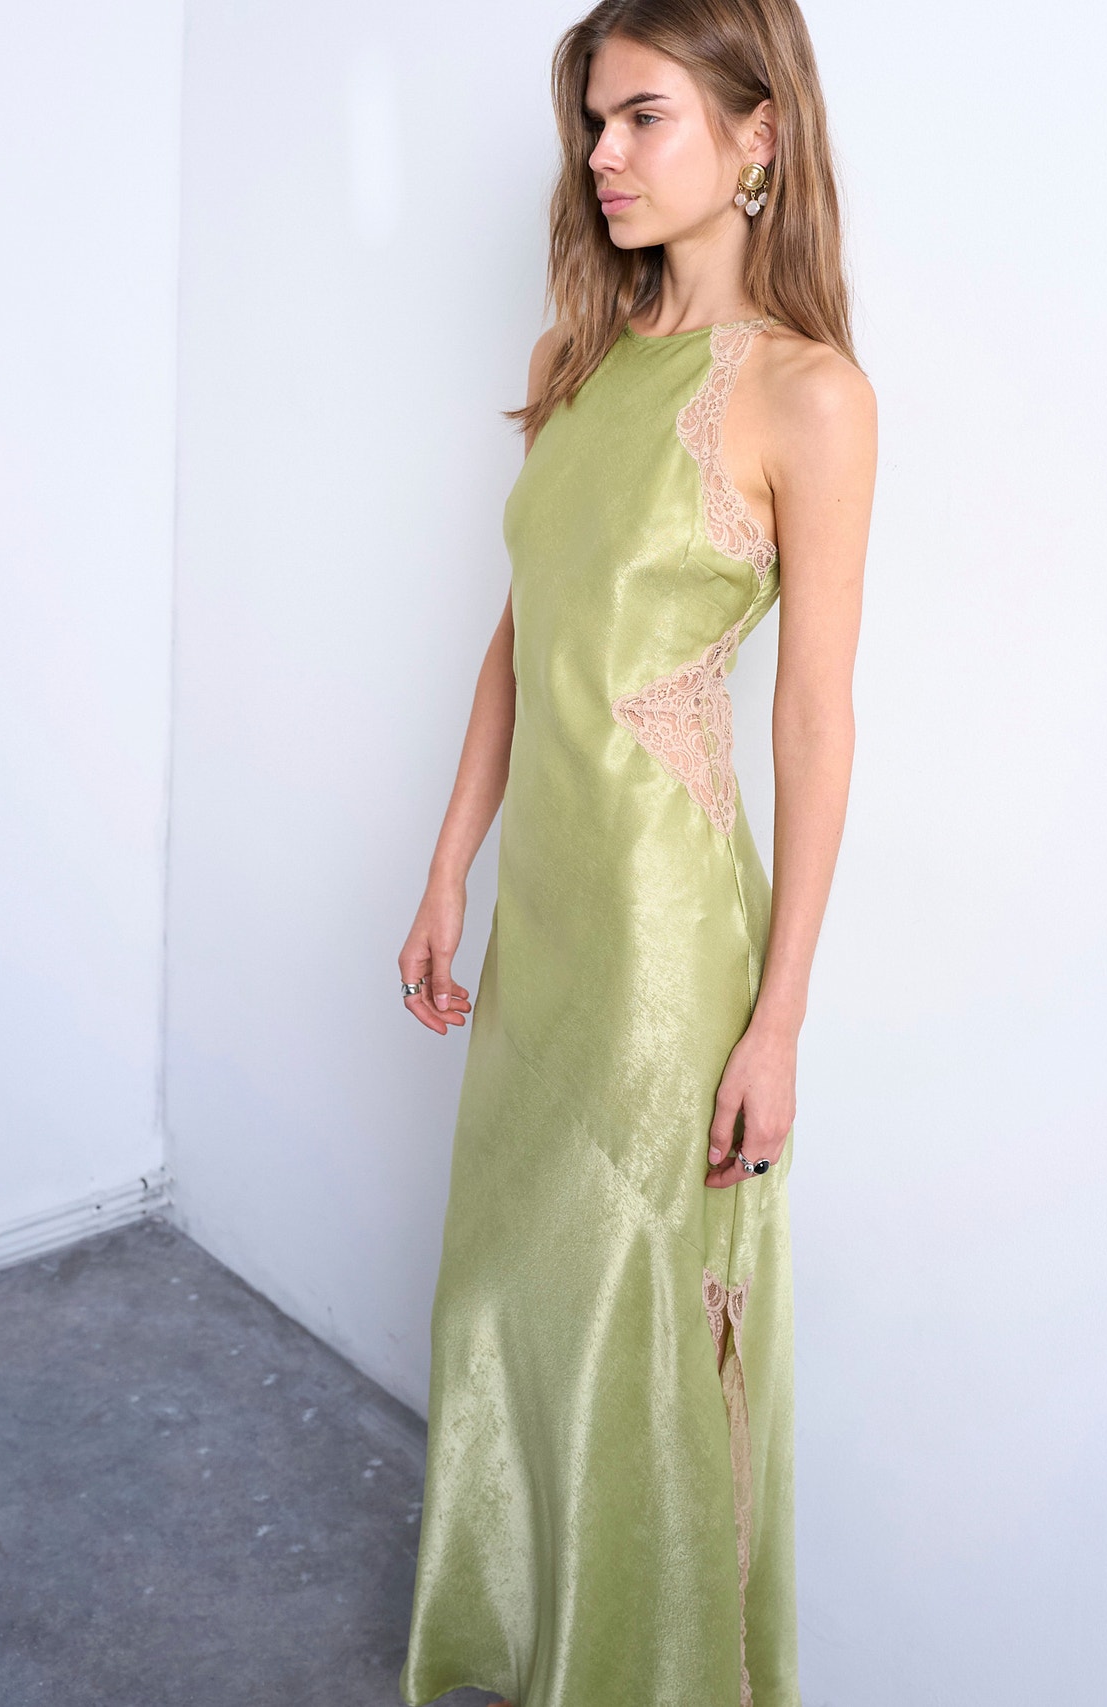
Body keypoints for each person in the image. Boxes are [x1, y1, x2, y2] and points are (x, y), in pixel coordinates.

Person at [396, 1, 876, 1702]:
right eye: (591, 122)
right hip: (546, 924)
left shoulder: (809, 397)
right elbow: (521, 634)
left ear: (758, 137)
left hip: (673, 950)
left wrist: (778, 1021)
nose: (600, 155)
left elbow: (813, 718)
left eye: (641, 117)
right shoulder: (576, 360)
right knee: (506, 1299)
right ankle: (533, 1640)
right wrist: (450, 865)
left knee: (639, 1316)